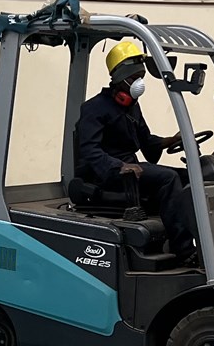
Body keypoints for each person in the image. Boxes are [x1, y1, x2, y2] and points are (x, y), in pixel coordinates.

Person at [71, 39, 199, 264]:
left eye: (141, 76)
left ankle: (203, 242)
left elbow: (146, 141)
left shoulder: (131, 106)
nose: (139, 82)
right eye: (134, 77)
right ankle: (184, 250)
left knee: (190, 176)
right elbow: (90, 150)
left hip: (132, 170)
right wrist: (119, 166)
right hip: (108, 175)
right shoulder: (94, 108)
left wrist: (170, 140)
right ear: (120, 78)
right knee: (168, 179)